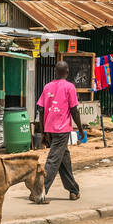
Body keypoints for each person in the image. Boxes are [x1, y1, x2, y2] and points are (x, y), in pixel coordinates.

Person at [33, 61, 82, 203]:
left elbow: (41, 110)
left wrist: (43, 132)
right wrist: (80, 128)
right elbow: (74, 110)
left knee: (63, 160)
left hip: (49, 129)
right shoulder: (69, 87)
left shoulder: (47, 87)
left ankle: (74, 190)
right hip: (62, 130)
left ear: (55, 71)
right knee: (53, 161)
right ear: (67, 72)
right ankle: (39, 191)